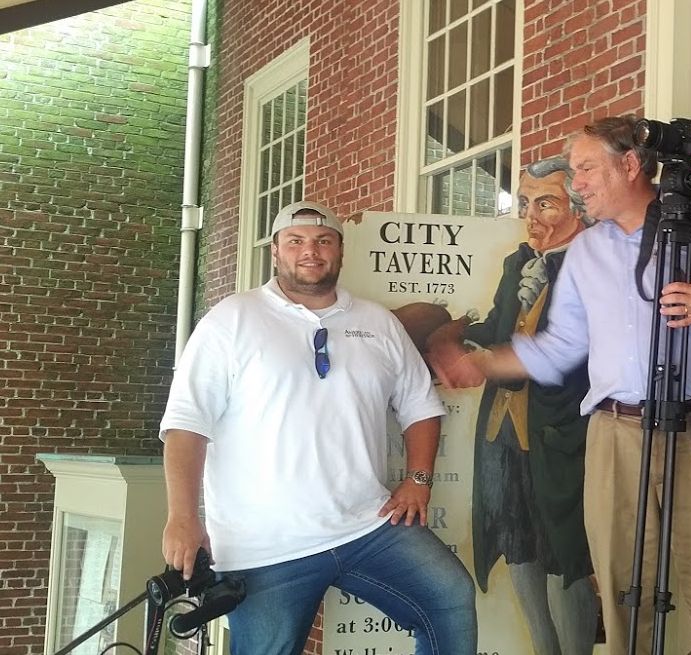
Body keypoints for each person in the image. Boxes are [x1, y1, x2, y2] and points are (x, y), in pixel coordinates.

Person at [439, 115, 691, 655]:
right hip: (614, 435)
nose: (577, 184)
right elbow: (560, 347)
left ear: (630, 165)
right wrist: (484, 364)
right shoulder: (585, 252)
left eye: (586, 169)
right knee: (625, 591)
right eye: (574, 172)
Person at [158, 200, 477, 655]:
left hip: (369, 527)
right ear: (276, 251)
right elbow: (187, 425)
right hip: (264, 548)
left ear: (340, 251)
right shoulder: (231, 320)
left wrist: (418, 480)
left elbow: (419, 405)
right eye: (296, 241)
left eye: (324, 240)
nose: (311, 251)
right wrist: (183, 516)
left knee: (449, 599)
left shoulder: (378, 322)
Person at [423, 156, 599, 655]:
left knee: (564, 557)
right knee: (518, 546)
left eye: (547, 202)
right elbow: (503, 326)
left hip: (561, 432)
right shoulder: (518, 262)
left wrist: (484, 362)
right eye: (525, 202)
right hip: (503, 432)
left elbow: (577, 350)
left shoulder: (594, 262)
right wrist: (453, 335)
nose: (532, 215)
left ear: (579, 207)